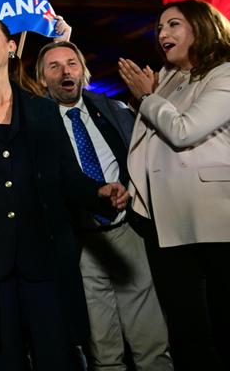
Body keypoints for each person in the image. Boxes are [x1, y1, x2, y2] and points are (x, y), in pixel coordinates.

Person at [0, 16, 129, 371]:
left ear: (11, 47)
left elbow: (67, 175)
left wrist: (99, 191)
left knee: (57, 358)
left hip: (44, 259)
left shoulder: (43, 109)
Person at [36, 40, 172, 371]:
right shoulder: (36, 124)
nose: (64, 71)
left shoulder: (113, 111)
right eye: (53, 67)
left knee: (151, 344)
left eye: (71, 63)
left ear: (83, 71)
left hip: (127, 233)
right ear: (41, 80)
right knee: (104, 351)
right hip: (79, 242)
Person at [118, 0, 230, 371]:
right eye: (160, 28)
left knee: (220, 325)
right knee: (186, 329)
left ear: (201, 27)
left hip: (213, 222)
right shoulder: (167, 77)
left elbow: (183, 132)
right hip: (163, 224)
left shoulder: (224, 74)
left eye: (174, 25)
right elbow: (148, 141)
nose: (163, 34)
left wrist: (147, 97)